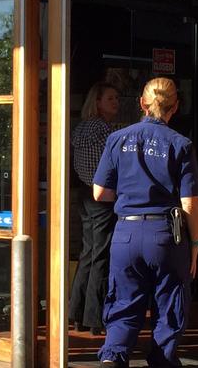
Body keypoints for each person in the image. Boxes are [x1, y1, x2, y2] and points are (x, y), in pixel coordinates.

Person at [92, 77, 198, 368]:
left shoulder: (117, 138)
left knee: (123, 303)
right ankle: (162, 359)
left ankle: (112, 357)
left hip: (126, 233)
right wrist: (195, 245)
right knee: (169, 305)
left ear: (142, 104)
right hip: (166, 235)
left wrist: (130, 189)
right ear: (175, 107)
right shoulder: (181, 144)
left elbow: (100, 191)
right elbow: (190, 203)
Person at [69, 81, 120, 335]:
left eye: (116, 98)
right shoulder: (104, 131)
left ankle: (75, 312)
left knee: (88, 253)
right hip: (102, 197)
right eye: (110, 98)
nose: (115, 102)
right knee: (100, 255)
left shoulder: (80, 129)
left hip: (84, 194)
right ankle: (94, 317)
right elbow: (113, 166)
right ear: (97, 102)